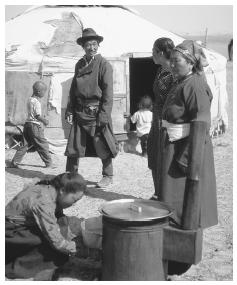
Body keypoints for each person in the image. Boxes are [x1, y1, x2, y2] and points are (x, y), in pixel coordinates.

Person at [159, 40, 218, 274]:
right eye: (171, 61)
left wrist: (187, 159)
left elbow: (201, 124)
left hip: (186, 151)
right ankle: (173, 253)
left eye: (177, 61)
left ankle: (180, 258)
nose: (172, 65)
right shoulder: (181, 81)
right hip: (176, 146)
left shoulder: (194, 85)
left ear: (190, 62)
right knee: (171, 200)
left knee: (182, 203)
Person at [5, 172, 86, 279]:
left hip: (18, 225)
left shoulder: (50, 189)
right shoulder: (44, 202)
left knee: (62, 225)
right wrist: (76, 249)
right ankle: (17, 267)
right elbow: (57, 242)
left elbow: (57, 217)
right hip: (9, 232)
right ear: (62, 191)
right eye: (74, 200)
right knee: (49, 240)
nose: (74, 204)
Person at [65, 28, 118, 188]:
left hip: (96, 113)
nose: (91, 48)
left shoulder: (104, 65)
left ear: (98, 45)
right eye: (88, 45)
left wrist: (104, 115)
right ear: (83, 46)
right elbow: (73, 89)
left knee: (101, 144)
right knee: (74, 146)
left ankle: (107, 175)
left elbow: (108, 93)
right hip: (80, 111)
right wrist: (70, 109)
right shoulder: (79, 64)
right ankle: (70, 177)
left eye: (94, 44)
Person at [147, 38, 175, 200]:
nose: (151, 54)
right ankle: (158, 192)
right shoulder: (160, 70)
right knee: (154, 153)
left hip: (167, 119)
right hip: (157, 117)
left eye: (153, 51)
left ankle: (166, 194)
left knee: (164, 155)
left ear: (161, 53)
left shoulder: (174, 72)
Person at [10, 81, 53, 168]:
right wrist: (45, 121)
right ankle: (49, 163)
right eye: (44, 91)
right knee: (42, 144)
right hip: (34, 126)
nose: (44, 94)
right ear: (39, 92)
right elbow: (37, 116)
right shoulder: (36, 102)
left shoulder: (29, 99)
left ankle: (14, 162)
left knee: (25, 145)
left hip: (27, 125)